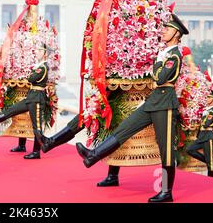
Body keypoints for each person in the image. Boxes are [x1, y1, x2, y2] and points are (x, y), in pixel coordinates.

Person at [76, 14, 188, 203]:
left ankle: (166, 191)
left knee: (165, 149)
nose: (163, 31)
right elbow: (157, 75)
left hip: (165, 104)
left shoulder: (174, 55)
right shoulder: (165, 54)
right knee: (125, 128)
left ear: (177, 34)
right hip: (154, 101)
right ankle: (94, 154)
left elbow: (160, 78)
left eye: (167, 29)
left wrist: (158, 62)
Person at [0, 43, 50, 159]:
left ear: (45, 53)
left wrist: (30, 73)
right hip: (31, 97)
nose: (37, 52)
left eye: (39, 51)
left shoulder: (43, 67)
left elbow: (31, 79)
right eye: (36, 50)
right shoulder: (38, 67)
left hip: (37, 99)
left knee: (36, 126)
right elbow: (30, 78)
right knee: (11, 110)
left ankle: (37, 152)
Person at [186, 89, 213, 177]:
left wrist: (201, 120)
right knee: (189, 149)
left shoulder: (211, 112)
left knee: (211, 166)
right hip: (201, 137)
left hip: (208, 137)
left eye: (209, 97)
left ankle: (211, 180)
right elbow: (202, 124)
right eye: (207, 97)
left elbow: (206, 124)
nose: (207, 99)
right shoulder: (206, 111)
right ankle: (208, 160)